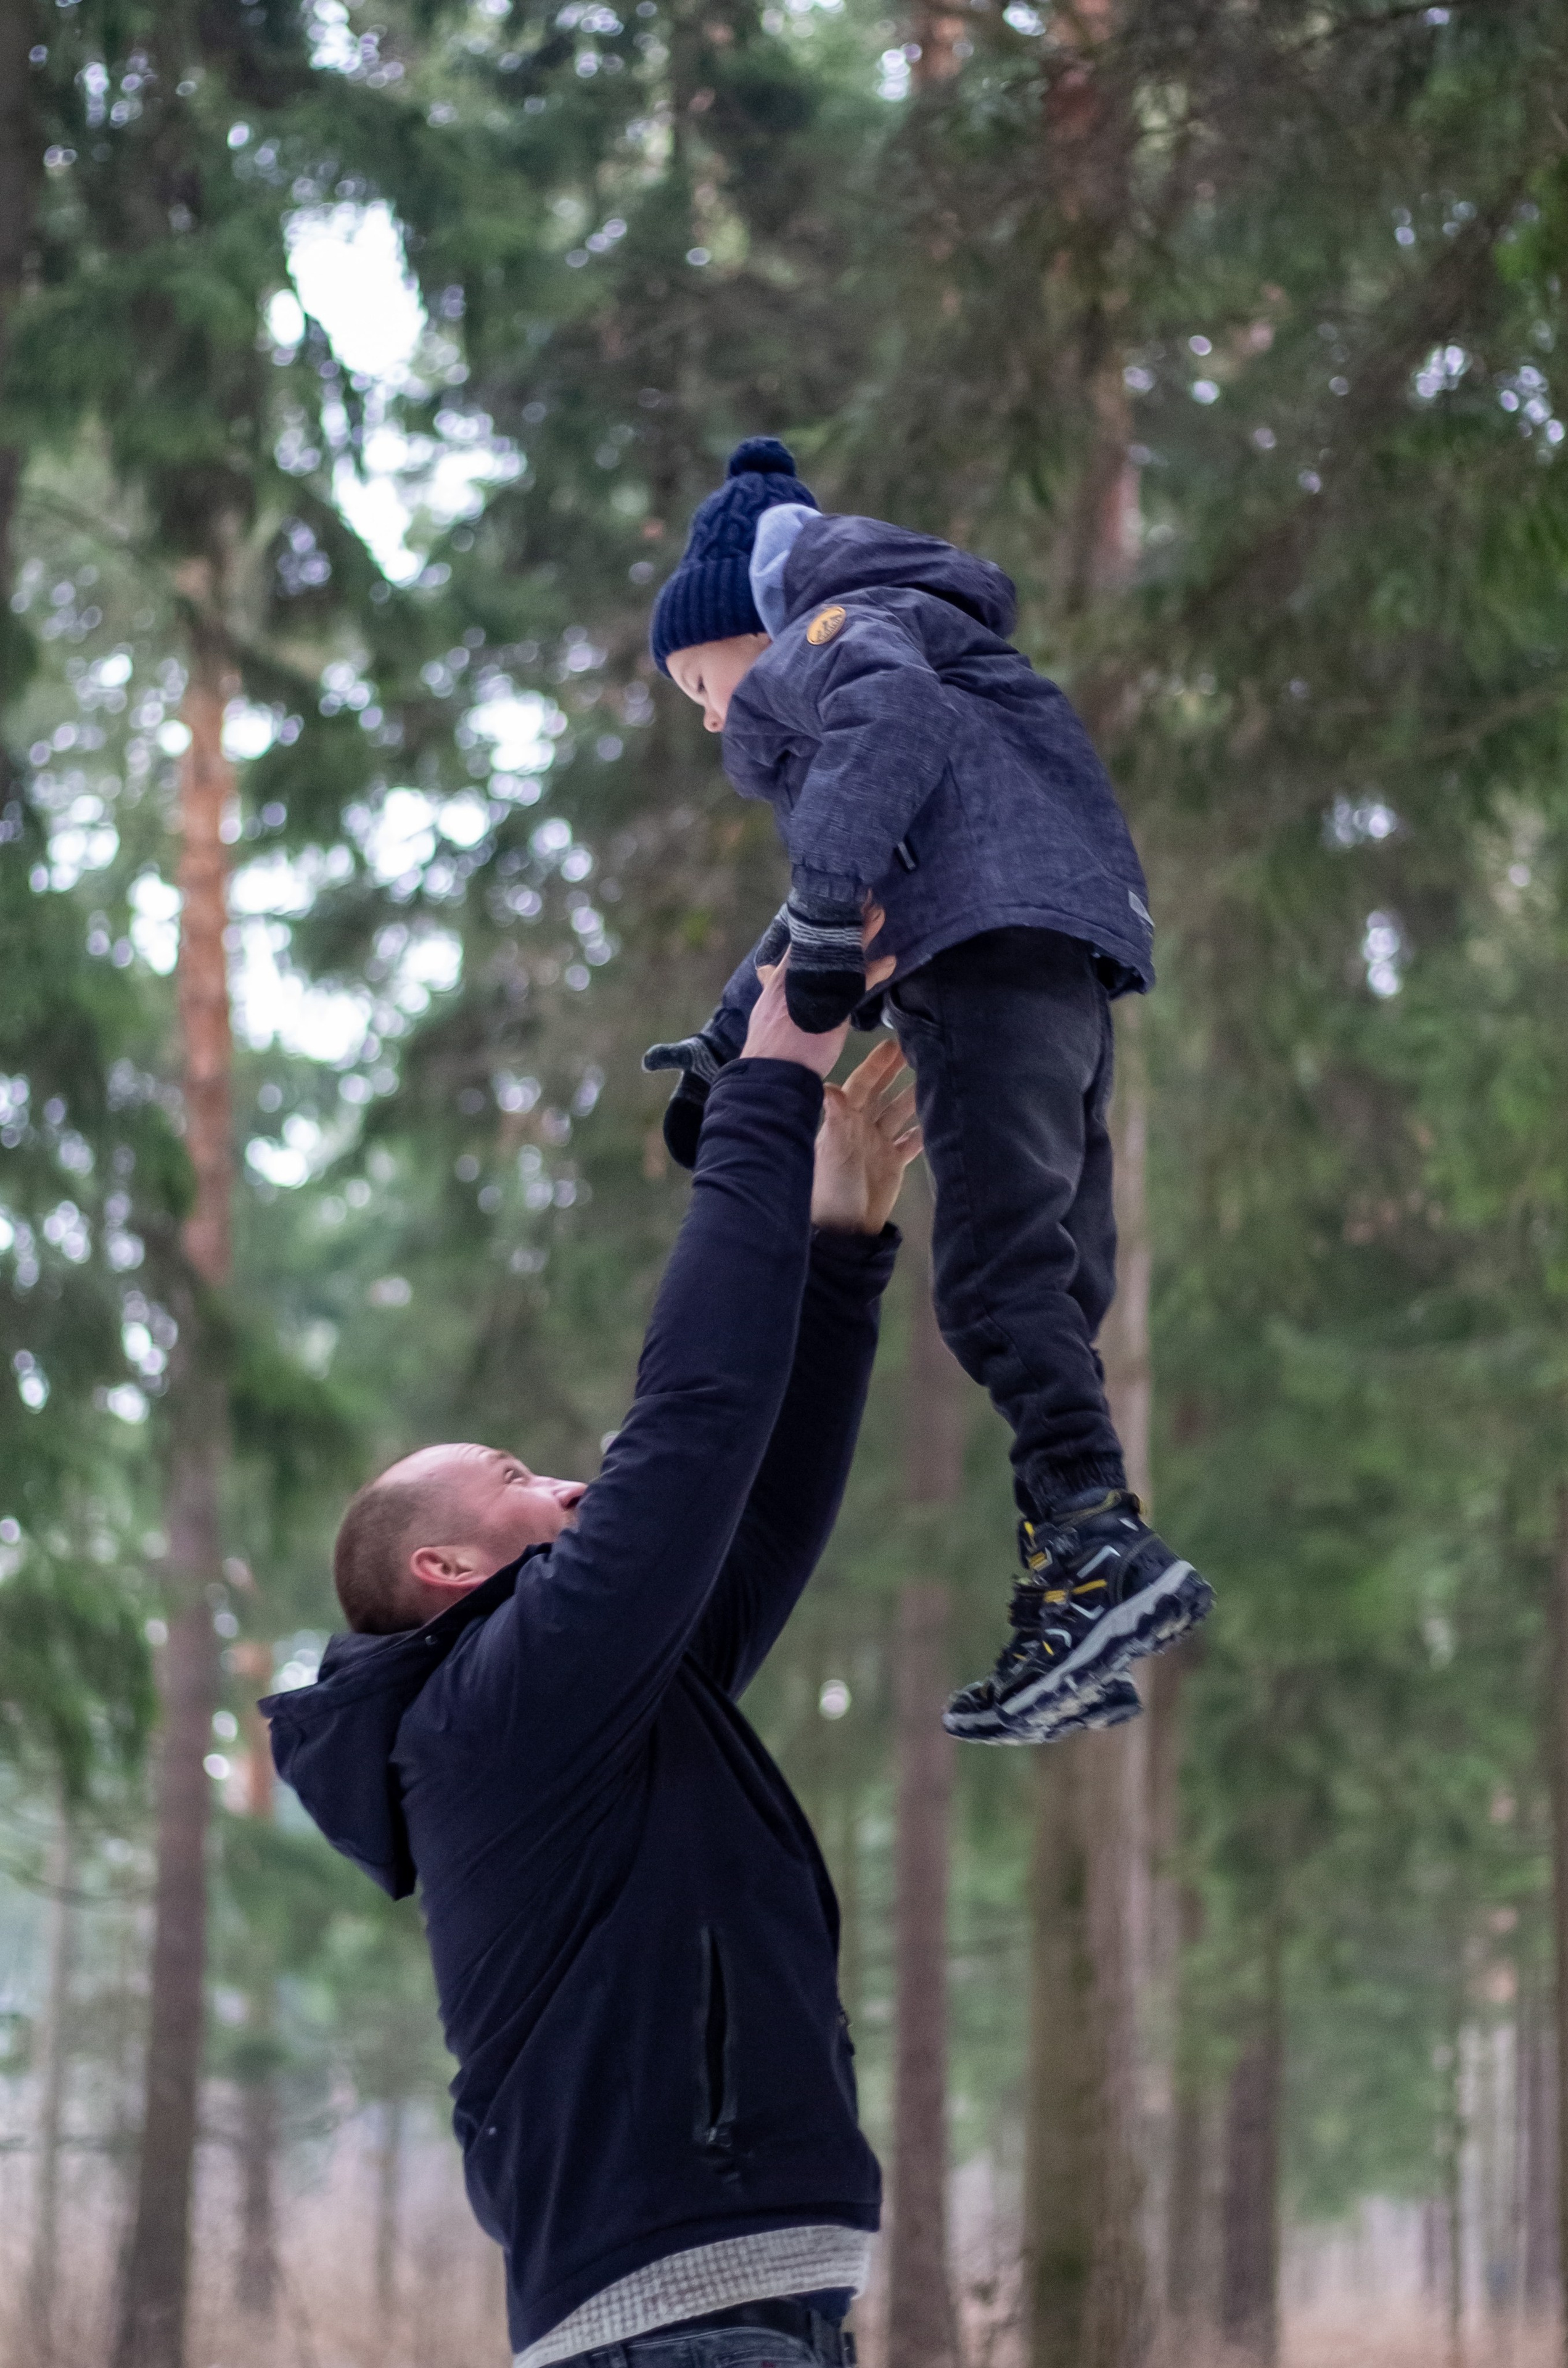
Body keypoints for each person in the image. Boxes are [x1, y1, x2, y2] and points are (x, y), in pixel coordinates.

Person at [261, 952, 924, 2368]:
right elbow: (692, 1417)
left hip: (756, 2304)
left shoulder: (594, 1704)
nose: (565, 1486)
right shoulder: (499, 1705)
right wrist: (763, 1083)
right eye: (514, 1475)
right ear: (442, 1567)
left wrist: (835, 1255)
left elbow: (757, 1520)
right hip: (676, 2329)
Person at [642, 437, 1213, 1745]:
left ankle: (1093, 1550)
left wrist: (836, 912)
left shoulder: (831, 640)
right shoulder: (927, 635)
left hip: (975, 961)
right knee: (1052, 1275)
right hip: (1060, 954)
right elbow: (835, 882)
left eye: (697, 681)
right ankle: (1076, 1579)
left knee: (994, 1285)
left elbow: (859, 810)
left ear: (745, 625)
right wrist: (730, 1041)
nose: (715, 714)